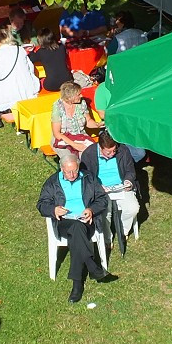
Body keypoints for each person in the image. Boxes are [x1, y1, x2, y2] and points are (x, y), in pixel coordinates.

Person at [36, 152, 115, 302]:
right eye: (68, 172)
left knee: (77, 233)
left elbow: (102, 199)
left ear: (79, 167)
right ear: (61, 169)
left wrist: (91, 210)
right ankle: (92, 267)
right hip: (64, 222)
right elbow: (41, 204)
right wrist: (53, 210)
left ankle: (78, 285)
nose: (72, 175)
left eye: (75, 171)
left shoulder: (89, 178)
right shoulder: (53, 183)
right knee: (76, 229)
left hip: (87, 221)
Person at [80, 131, 140, 243]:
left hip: (121, 186)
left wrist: (128, 181)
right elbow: (86, 178)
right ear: (100, 147)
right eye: (108, 152)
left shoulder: (123, 150)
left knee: (133, 208)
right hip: (100, 190)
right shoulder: (88, 154)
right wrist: (98, 187)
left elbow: (130, 170)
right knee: (104, 212)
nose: (112, 154)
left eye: (114, 150)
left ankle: (123, 230)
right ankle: (108, 238)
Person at [0, 26, 41, 127]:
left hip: (11, 91)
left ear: (1, 40)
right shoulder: (20, 49)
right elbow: (30, 68)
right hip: (27, 87)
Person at [51, 81, 99, 158]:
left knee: (90, 154)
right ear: (70, 97)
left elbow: (88, 121)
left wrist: (98, 125)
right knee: (70, 158)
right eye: (78, 94)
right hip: (64, 139)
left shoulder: (82, 103)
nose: (81, 95)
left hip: (80, 136)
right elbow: (57, 134)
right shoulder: (58, 107)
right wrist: (75, 145)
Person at [29, 27, 73, 92]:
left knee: (41, 81)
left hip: (52, 85)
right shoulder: (61, 47)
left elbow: (31, 59)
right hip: (67, 81)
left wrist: (31, 50)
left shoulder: (41, 52)